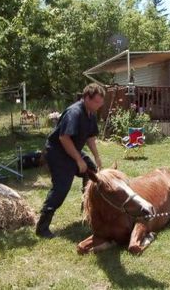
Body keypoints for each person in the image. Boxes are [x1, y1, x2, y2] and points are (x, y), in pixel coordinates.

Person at [36, 83, 105, 238]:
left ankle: (87, 210)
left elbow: (90, 137)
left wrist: (97, 156)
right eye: (96, 102)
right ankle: (42, 227)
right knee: (61, 188)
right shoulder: (74, 112)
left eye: (101, 103)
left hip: (72, 150)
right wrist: (78, 160)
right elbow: (63, 137)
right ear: (86, 97)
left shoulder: (91, 113)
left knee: (92, 173)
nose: (99, 106)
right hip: (57, 152)